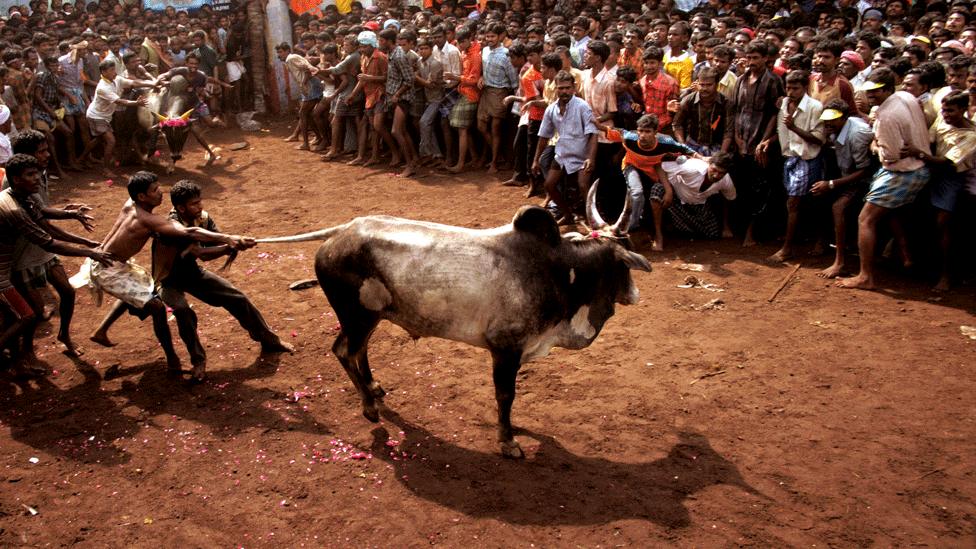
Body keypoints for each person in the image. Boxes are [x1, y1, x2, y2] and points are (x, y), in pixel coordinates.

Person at [95, 180, 293, 378]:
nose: (200, 207)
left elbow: (209, 246)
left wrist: (231, 244)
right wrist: (229, 244)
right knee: (182, 311)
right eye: (194, 204)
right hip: (168, 280)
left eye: (200, 202)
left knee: (237, 298)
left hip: (192, 274)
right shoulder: (170, 226)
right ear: (180, 208)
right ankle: (198, 360)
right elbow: (202, 252)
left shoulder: (203, 218)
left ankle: (269, 339)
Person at [0, 154, 114, 375]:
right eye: (30, 174)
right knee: (26, 316)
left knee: (18, 317)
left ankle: (16, 362)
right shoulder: (13, 209)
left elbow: (44, 219)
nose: (37, 177)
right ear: (15, 178)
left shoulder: (20, 196)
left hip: (6, 271)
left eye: (36, 173)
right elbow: (49, 242)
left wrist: (77, 228)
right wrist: (89, 252)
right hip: (2, 277)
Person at [837, 68, 930, 290]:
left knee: (865, 219)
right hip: (918, 168)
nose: (871, 96)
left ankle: (865, 276)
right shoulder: (906, 96)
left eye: (876, 92)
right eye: (869, 91)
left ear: (888, 89)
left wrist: (875, 144)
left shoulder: (885, 117)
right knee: (890, 212)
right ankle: (905, 255)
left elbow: (890, 156)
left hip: (901, 171)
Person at [902, 91, 976, 291]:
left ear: (963, 109)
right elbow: (931, 141)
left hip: (950, 178)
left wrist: (917, 152)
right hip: (929, 169)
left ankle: (946, 275)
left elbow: (946, 162)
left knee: (943, 225)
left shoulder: (971, 135)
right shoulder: (941, 121)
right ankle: (918, 264)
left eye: (951, 110)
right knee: (915, 215)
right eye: (943, 109)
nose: (946, 114)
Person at [598, 114, 698, 250]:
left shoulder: (666, 142)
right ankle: (631, 226)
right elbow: (608, 129)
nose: (642, 135)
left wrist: (703, 158)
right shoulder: (629, 137)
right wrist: (593, 121)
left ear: (655, 132)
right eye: (640, 131)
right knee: (637, 192)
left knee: (658, 195)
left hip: (652, 171)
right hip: (631, 165)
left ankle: (657, 231)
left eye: (647, 131)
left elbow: (685, 149)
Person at [761, 70, 824, 262]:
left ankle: (787, 248)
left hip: (807, 159)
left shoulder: (815, 107)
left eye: (795, 88)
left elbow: (819, 139)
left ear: (805, 88)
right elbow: (782, 133)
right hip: (789, 158)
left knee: (795, 202)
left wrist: (794, 127)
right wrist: (769, 141)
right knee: (795, 202)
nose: (791, 91)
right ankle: (802, 241)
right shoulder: (785, 104)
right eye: (788, 87)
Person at [811, 100, 875, 279]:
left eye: (834, 119)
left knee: (838, 208)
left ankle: (840, 262)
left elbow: (865, 171)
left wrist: (831, 184)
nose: (828, 123)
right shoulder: (834, 130)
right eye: (826, 120)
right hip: (847, 174)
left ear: (845, 118)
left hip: (865, 180)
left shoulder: (857, 134)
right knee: (817, 196)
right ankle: (826, 243)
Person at [731, 40, 784, 247]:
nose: (752, 62)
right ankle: (742, 230)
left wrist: (764, 141)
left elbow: (775, 114)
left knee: (761, 190)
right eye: (749, 57)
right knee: (743, 188)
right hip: (742, 142)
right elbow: (736, 110)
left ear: (765, 59)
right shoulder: (741, 80)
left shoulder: (773, 81)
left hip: (762, 144)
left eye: (756, 58)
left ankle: (754, 233)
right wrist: (736, 136)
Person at [531, 70, 599, 225]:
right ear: (556, 89)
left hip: (582, 153)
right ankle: (568, 215)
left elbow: (593, 134)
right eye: (561, 88)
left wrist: (590, 158)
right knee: (549, 185)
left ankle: (593, 219)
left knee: (583, 185)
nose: (564, 91)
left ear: (573, 88)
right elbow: (544, 136)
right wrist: (536, 160)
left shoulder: (582, 106)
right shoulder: (551, 109)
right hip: (562, 153)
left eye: (567, 88)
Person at [79, 59, 154, 178]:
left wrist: (152, 84)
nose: (114, 72)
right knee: (111, 141)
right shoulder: (103, 87)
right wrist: (136, 103)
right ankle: (106, 169)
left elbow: (133, 83)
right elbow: (120, 101)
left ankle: (81, 159)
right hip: (97, 116)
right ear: (103, 72)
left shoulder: (116, 79)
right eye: (111, 70)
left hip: (103, 116)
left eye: (114, 69)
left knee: (98, 139)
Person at [659, 152, 738, 239]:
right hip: (675, 201)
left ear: (726, 173)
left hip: (697, 207)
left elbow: (729, 199)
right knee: (657, 190)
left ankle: (683, 229)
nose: (716, 175)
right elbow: (660, 166)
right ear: (709, 163)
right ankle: (659, 233)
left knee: (713, 234)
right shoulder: (692, 166)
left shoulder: (726, 180)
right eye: (714, 170)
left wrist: (725, 226)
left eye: (721, 173)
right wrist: (668, 190)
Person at [477, 23, 518, 174]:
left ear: (501, 36)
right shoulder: (485, 51)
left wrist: (512, 97)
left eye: (492, 36)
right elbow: (483, 69)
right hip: (486, 91)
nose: (489, 39)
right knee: (481, 126)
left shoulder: (506, 54)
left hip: (500, 92)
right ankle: (498, 155)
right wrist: (481, 76)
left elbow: (513, 79)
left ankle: (494, 162)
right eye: (487, 36)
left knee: (495, 129)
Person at [672, 67, 733, 155]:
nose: (704, 88)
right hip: (692, 144)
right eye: (702, 85)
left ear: (716, 84)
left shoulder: (726, 103)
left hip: (716, 146)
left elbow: (728, 131)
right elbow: (677, 124)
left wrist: (721, 154)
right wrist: (683, 146)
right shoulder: (688, 100)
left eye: (709, 85)